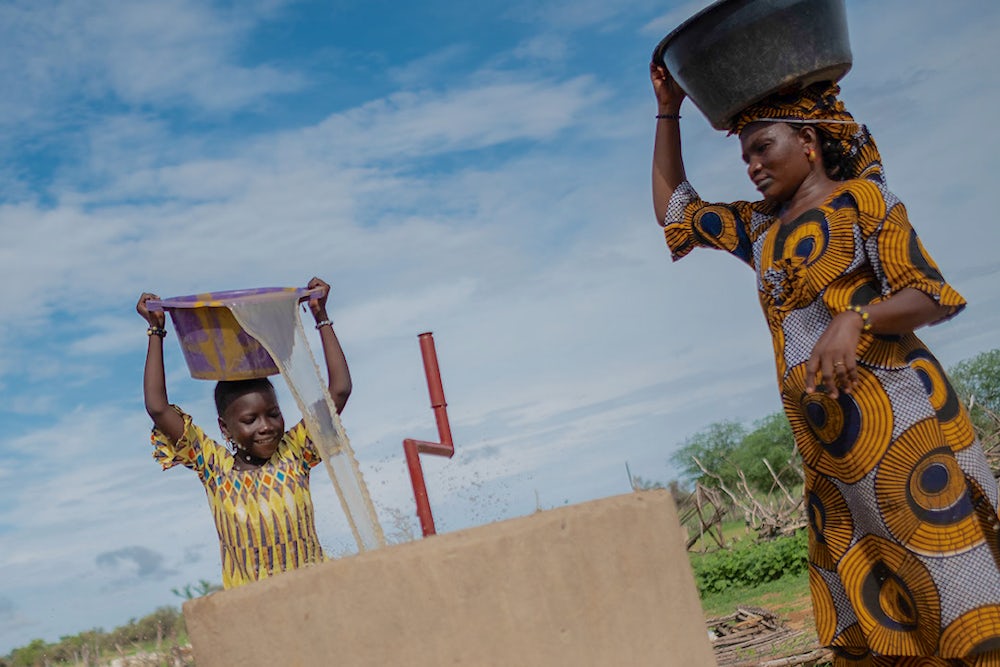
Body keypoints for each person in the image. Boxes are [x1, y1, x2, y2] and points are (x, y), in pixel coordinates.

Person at [650, 62, 1000, 666]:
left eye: (764, 149)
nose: (753, 166)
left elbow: (931, 294)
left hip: (906, 435)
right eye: (745, 159)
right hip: (831, 459)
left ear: (808, 142)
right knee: (882, 611)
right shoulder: (759, 229)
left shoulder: (865, 200)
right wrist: (669, 109)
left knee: (956, 589)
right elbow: (676, 212)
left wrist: (856, 319)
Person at [136, 276, 352, 590]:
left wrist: (321, 317)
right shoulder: (214, 466)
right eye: (250, 420)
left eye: (273, 414)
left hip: (315, 592)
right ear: (226, 428)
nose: (265, 426)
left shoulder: (296, 452)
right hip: (252, 608)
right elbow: (157, 407)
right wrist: (156, 330)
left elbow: (340, 390)